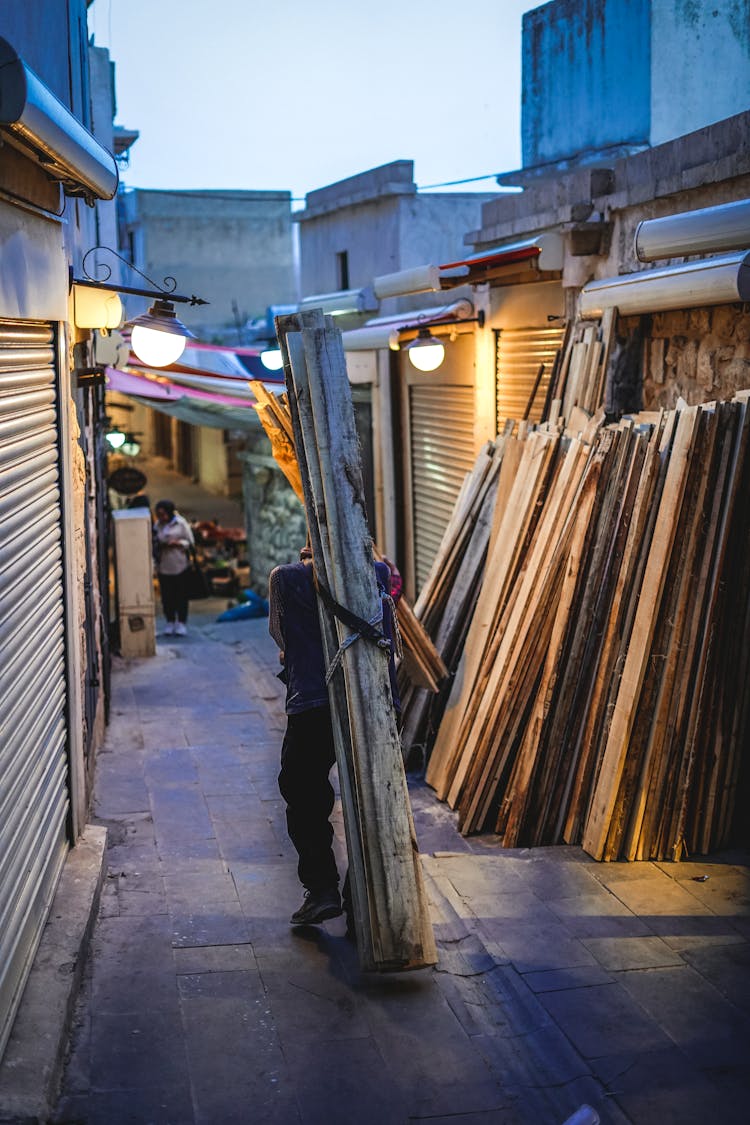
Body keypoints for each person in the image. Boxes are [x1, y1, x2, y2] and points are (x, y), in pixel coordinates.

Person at [268, 545, 400, 929]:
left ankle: (322, 887)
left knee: (303, 793)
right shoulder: (377, 572)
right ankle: (361, 899)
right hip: (369, 700)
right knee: (367, 800)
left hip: (312, 703)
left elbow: (281, 637)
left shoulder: (284, 577)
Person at [153, 499, 195, 636]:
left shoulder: (181, 523)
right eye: (159, 514)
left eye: (163, 514)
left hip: (180, 564)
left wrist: (178, 543)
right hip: (164, 566)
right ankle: (170, 621)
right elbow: (154, 542)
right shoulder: (157, 525)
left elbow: (190, 542)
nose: (161, 517)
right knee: (167, 596)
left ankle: (181, 622)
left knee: (181, 595)